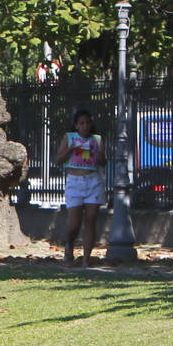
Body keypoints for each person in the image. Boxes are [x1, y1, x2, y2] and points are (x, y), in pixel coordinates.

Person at [62, 108, 107, 268]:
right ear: (76, 125)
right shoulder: (69, 138)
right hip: (75, 182)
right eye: (82, 123)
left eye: (88, 122)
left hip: (93, 181)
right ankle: (69, 246)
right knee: (74, 224)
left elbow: (103, 161)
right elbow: (59, 159)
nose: (85, 126)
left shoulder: (97, 139)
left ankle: (86, 260)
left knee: (90, 221)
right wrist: (70, 149)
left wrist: (102, 157)